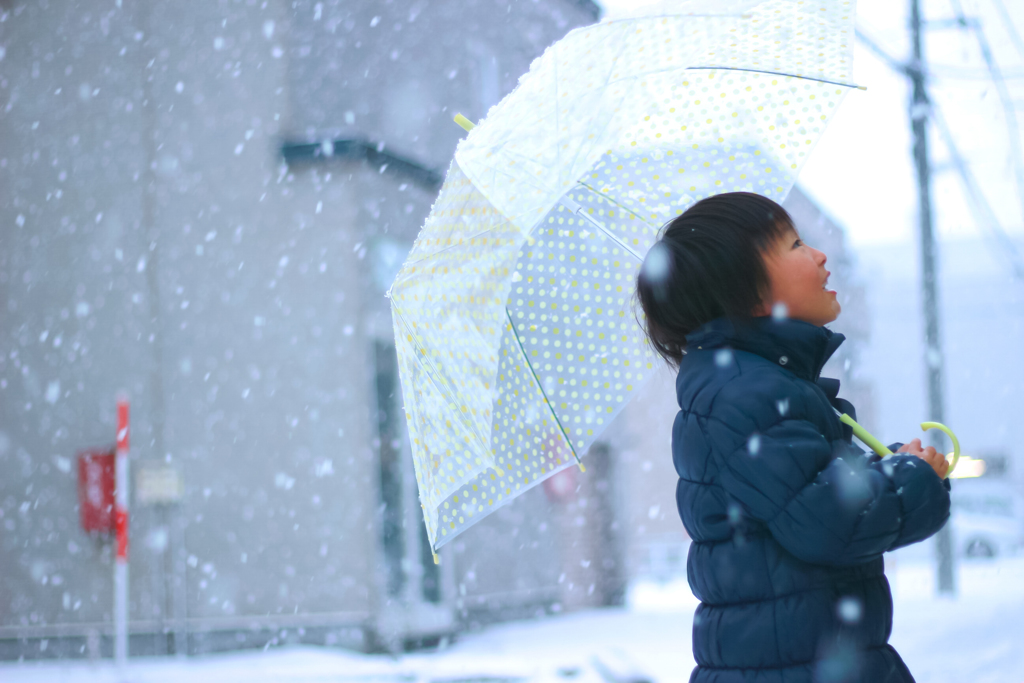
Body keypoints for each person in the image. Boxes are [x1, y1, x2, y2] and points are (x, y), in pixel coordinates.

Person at [634, 192, 951, 683]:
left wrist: (890, 468)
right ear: (749, 294)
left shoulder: (764, 384)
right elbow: (825, 521)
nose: (819, 255)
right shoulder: (744, 393)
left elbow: (800, 495)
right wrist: (909, 480)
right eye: (796, 244)